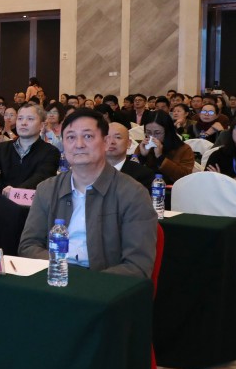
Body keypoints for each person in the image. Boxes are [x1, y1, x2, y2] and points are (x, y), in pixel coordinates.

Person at [17, 108, 156, 278]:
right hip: (54, 281)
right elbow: (28, 246)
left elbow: (138, 266)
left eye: (88, 136)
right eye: (71, 137)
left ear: (105, 142)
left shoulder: (133, 193)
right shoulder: (47, 189)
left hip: (104, 287)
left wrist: (87, 282)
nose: (79, 144)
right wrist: (62, 269)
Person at [0, 104, 60, 194]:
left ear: (41, 126)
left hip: (32, 201)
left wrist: (16, 192)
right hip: (2, 199)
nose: (23, 123)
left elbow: (41, 178)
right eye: (20, 118)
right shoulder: (3, 147)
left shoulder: (51, 152)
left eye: (30, 119)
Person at [134, 111, 194, 184]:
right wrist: (142, 156)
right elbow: (131, 174)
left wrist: (160, 158)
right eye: (148, 132)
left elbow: (185, 178)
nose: (152, 137)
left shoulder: (184, 149)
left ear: (167, 132)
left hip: (171, 188)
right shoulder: (143, 146)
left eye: (157, 133)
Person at [105, 122, 154, 190]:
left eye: (118, 137)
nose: (111, 142)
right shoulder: (91, 170)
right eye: (107, 137)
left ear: (129, 143)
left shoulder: (143, 174)